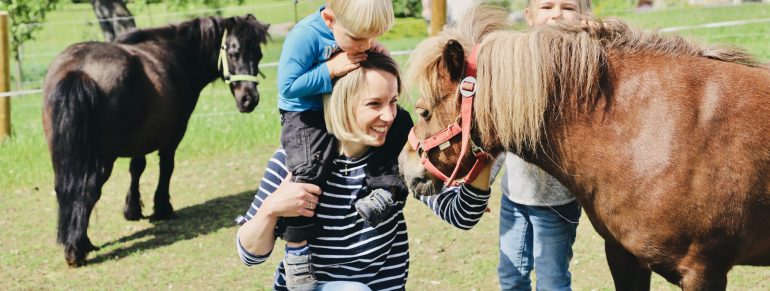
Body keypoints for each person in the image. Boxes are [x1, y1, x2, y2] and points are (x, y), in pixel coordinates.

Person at [236, 53, 494, 290]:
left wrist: (485, 145)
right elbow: (250, 254)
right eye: (374, 104)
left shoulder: (399, 157)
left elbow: (461, 215)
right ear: (342, 103)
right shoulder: (294, 161)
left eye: (393, 102)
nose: (389, 116)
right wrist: (271, 209)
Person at [273, 1, 413, 288]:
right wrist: (331, 70)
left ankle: (385, 191)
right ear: (329, 20)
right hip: (305, 115)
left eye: (371, 39)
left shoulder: (355, 34)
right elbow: (287, 88)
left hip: (346, 110)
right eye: (359, 39)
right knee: (307, 171)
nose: (365, 46)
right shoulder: (304, 37)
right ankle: (297, 248)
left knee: (401, 126)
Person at [494, 0, 592, 290]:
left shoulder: (583, 63)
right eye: (547, 6)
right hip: (514, 197)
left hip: (558, 203)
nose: (557, 14)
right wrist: (481, 184)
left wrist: (596, 32)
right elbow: (499, 131)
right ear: (529, 16)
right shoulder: (516, 63)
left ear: (585, 16)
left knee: (552, 282)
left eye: (569, 7)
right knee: (511, 278)